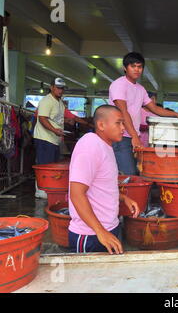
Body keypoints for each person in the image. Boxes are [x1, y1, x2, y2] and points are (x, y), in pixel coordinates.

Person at [68, 105, 140, 254]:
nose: (123, 128)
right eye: (118, 123)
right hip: (90, 235)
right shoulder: (90, 146)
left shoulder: (105, 146)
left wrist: (123, 198)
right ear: (101, 125)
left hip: (108, 228)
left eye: (123, 123)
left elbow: (100, 187)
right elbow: (76, 194)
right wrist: (100, 231)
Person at [109, 52, 178, 175]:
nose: (136, 69)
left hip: (133, 136)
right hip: (120, 136)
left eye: (139, 67)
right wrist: (134, 136)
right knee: (128, 173)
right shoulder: (119, 84)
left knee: (137, 172)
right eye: (132, 66)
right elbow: (123, 112)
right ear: (125, 68)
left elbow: (155, 109)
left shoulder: (140, 89)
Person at [33, 78, 67, 198]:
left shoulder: (60, 102)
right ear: (51, 87)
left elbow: (56, 119)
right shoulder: (47, 100)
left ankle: (47, 188)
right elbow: (42, 118)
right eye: (58, 87)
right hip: (44, 138)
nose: (60, 90)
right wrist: (54, 130)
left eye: (62, 88)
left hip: (54, 139)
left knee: (51, 165)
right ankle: (40, 190)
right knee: (44, 165)